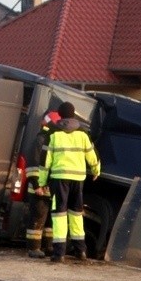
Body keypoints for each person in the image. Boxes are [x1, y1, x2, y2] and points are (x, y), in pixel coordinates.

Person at [39, 101, 100, 263]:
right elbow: (92, 155)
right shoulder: (83, 133)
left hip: (59, 179)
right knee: (76, 214)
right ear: (73, 114)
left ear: (59, 115)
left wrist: (42, 181)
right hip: (78, 180)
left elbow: (45, 161)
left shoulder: (53, 132)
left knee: (59, 215)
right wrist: (95, 171)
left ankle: (59, 253)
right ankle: (81, 251)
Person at [25, 111, 60, 258]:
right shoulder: (41, 140)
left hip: (48, 188)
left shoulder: (50, 139)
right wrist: (36, 185)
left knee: (49, 222)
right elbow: (33, 164)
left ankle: (48, 246)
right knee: (37, 219)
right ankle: (34, 248)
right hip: (38, 188)